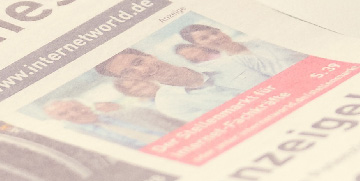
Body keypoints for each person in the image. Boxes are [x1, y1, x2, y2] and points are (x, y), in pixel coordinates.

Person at [96, 49, 262, 120]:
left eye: (138, 62)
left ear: (150, 56)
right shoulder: (169, 104)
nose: (143, 70)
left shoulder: (232, 62)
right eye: (128, 72)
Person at [180, 24, 307, 77]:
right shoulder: (231, 65)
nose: (215, 38)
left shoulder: (261, 40)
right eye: (204, 38)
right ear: (199, 45)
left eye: (214, 32)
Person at [42, 98, 175, 147]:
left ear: (86, 105)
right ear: (58, 120)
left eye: (76, 108)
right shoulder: (82, 140)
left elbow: (178, 124)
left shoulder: (131, 112)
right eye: (63, 114)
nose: (75, 114)